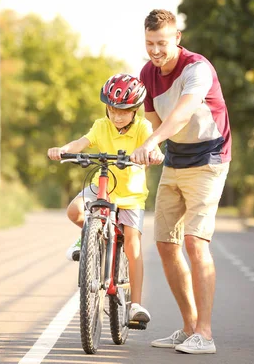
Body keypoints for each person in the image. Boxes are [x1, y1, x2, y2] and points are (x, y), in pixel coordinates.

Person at [130, 9, 231, 354]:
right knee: (165, 244)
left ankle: (205, 333)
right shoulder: (147, 72)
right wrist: (153, 147)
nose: (155, 50)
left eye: (161, 43)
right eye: (149, 43)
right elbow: (154, 121)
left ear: (177, 39)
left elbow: (182, 113)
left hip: (208, 160)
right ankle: (189, 328)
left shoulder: (197, 69)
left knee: (194, 242)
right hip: (176, 158)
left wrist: (153, 141)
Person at [48, 73, 164, 323]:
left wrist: (153, 155)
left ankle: (136, 305)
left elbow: (153, 147)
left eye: (123, 111)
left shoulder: (143, 127)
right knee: (74, 211)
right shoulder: (102, 125)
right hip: (102, 185)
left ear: (135, 110)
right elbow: (82, 142)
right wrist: (64, 150)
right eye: (112, 110)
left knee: (133, 246)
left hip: (130, 195)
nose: (117, 116)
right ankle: (88, 237)